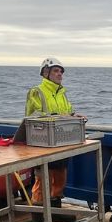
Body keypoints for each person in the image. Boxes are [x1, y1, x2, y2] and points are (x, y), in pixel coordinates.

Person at [25, 57, 86, 210]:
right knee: (42, 181)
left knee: (60, 177)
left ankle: (56, 210)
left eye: (61, 71)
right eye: (56, 71)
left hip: (60, 142)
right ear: (46, 73)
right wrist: (64, 117)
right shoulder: (37, 92)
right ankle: (39, 219)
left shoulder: (62, 93)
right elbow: (36, 116)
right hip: (42, 143)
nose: (60, 74)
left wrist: (73, 116)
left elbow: (66, 112)